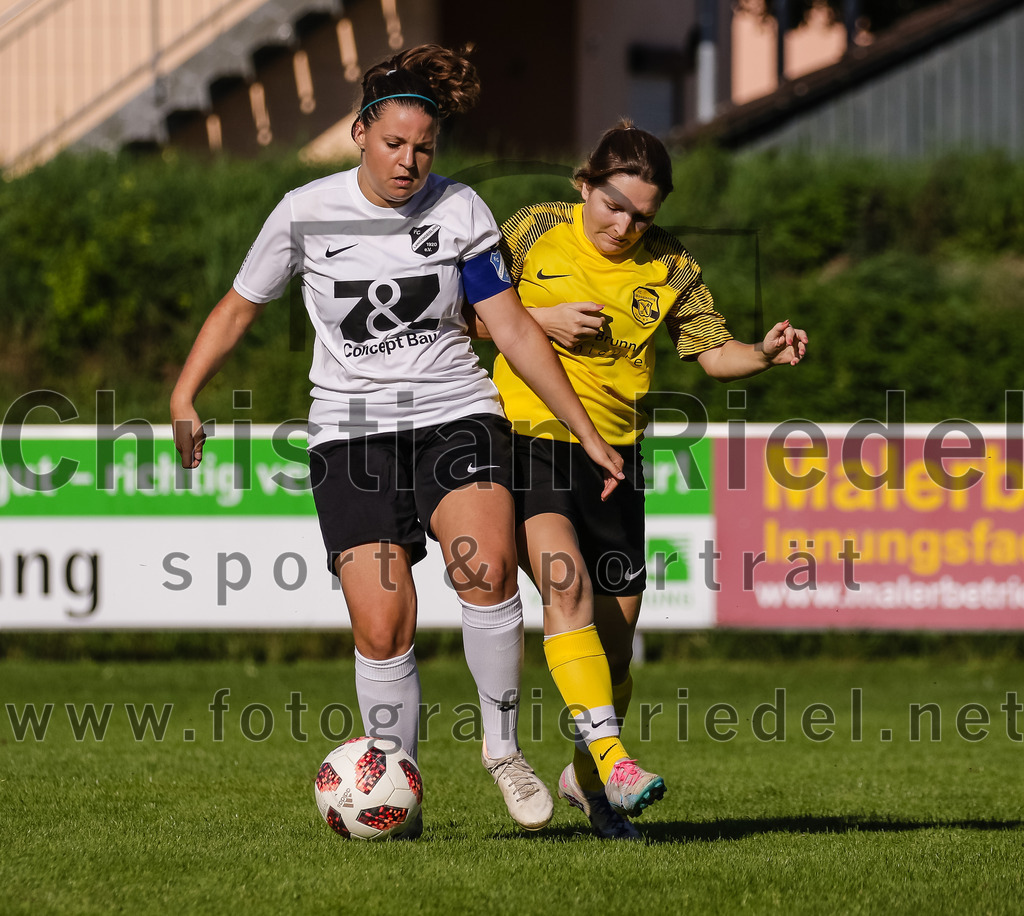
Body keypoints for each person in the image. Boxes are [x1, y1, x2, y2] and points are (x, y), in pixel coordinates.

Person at [170, 45, 629, 837]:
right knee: (383, 623)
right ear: (359, 133)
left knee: (485, 572)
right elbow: (240, 305)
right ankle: (394, 784)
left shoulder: (462, 211)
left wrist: (584, 430)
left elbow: (513, 328)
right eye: (394, 143)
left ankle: (502, 750)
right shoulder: (302, 211)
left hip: (457, 415)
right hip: (351, 433)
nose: (410, 160)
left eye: (424, 146)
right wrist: (184, 393)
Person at [471, 121, 808, 839]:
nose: (624, 224)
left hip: (615, 461)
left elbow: (712, 354)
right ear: (583, 184)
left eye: (641, 215)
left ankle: (588, 781)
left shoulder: (671, 265)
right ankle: (618, 762)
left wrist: (762, 352)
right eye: (613, 204)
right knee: (565, 586)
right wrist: (537, 318)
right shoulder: (531, 229)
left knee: (616, 645)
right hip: (528, 440)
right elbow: (459, 314)